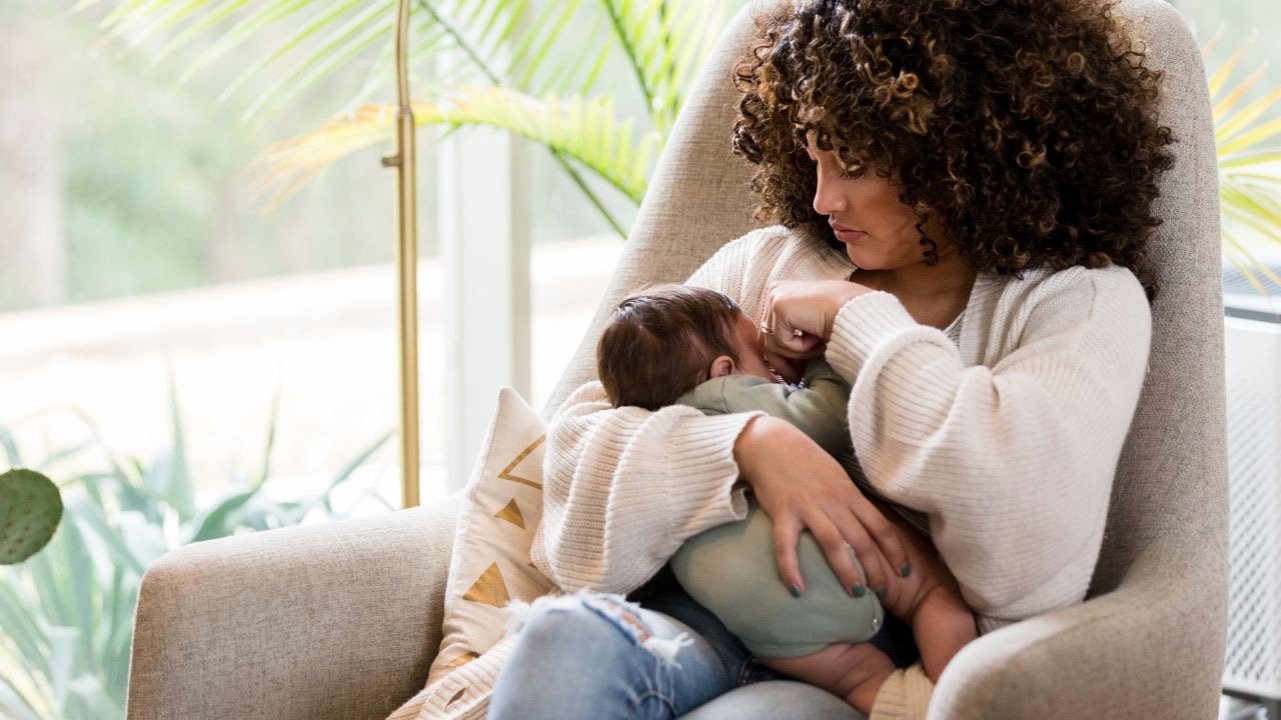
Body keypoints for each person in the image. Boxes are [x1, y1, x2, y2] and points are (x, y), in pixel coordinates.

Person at [489, 0, 1171, 717]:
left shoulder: (1077, 302)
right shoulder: (768, 262)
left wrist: (856, 319)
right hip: (690, 620)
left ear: (957, 152)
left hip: (863, 658)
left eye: (853, 163)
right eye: (813, 156)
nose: (821, 200)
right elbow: (575, 459)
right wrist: (752, 444)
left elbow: (1023, 539)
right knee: (561, 640)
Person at [592, 282, 978, 711]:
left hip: (754, 617)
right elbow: (826, 418)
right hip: (817, 567)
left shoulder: (652, 430)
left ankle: (899, 704)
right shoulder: (726, 394)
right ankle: (954, 699)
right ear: (724, 370)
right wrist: (825, 362)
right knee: (932, 593)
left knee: (856, 676)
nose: (777, 375)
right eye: (762, 359)